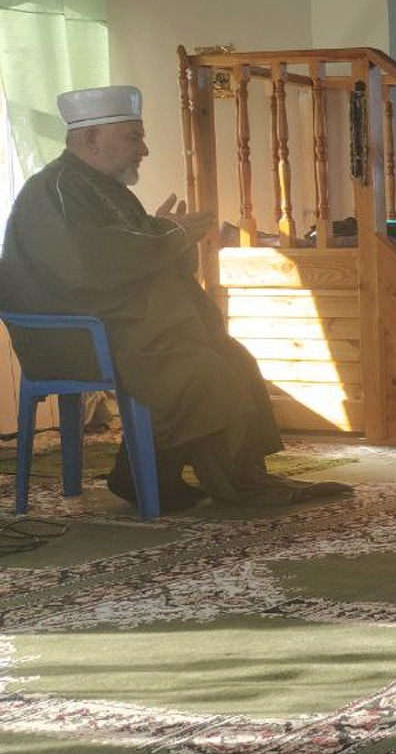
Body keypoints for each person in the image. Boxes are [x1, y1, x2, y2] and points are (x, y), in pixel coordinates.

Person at [0, 86, 349, 510]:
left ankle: (163, 476)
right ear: (91, 138)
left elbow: (137, 256)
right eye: (134, 137)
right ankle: (230, 484)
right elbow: (87, 265)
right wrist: (168, 235)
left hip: (123, 329)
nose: (144, 149)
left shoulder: (105, 189)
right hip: (73, 337)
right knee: (199, 371)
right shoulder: (52, 191)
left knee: (233, 358)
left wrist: (170, 236)